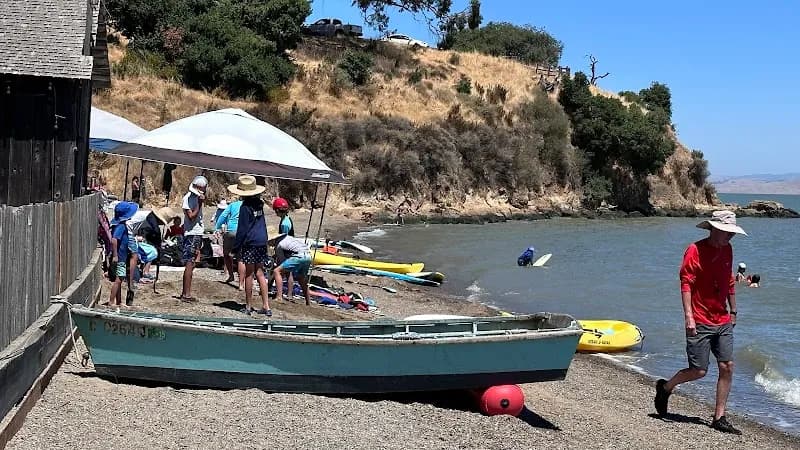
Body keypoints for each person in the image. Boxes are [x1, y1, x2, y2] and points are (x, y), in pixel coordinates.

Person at [655, 210, 746, 435]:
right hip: (700, 318)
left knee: (727, 366)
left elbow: (729, 281)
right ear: (714, 229)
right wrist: (689, 316)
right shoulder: (695, 250)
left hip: (722, 318)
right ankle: (665, 388)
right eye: (727, 233)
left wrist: (733, 310)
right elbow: (686, 283)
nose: (730, 237)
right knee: (699, 371)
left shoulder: (728, 249)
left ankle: (719, 417)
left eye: (732, 233)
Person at [230, 175, 271, 316]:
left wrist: (235, 248)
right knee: (260, 272)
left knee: (249, 274)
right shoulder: (259, 204)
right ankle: (266, 305)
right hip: (261, 240)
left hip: (251, 242)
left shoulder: (245, 208)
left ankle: (248, 305)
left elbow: (242, 230)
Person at [178, 175, 207, 302]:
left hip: (195, 232)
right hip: (192, 233)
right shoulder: (188, 199)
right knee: (190, 262)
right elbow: (191, 216)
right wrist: (199, 204)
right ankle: (186, 294)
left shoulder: (193, 197)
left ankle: (186, 292)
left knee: (193, 260)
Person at [269, 225, 312, 306]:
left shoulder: (279, 245)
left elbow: (281, 264)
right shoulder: (287, 238)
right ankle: (308, 302)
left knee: (276, 271)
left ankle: (279, 297)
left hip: (299, 256)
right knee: (302, 278)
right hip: (308, 256)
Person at [108, 202, 138, 307]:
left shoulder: (119, 225)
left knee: (119, 280)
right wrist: (116, 255)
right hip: (120, 258)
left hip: (122, 257)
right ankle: (111, 301)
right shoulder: (121, 226)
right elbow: (114, 240)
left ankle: (119, 301)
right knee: (118, 280)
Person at [216, 195, 245, 289]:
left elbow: (223, 215)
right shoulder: (248, 206)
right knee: (241, 259)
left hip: (231, 230)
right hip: (242, 232)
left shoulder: (233, 205)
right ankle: (241, 284)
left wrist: (217, 227)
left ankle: (231, 275)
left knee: (227, 254)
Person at [272, 197, 296, 297]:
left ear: (278, 210)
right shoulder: (286, 219)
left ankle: (280, 294)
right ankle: (289, 294)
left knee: (280, 270)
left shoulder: (285, 223)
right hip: (289, 247)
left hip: (286, 249)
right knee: (287, 272)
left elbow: (284, 238)